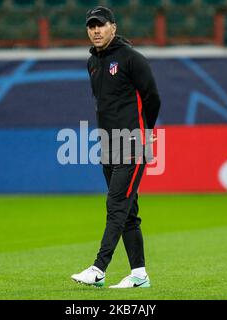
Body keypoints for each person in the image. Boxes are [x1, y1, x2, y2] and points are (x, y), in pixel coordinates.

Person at [71, 6, 161, 289]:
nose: (95, 30)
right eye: (91, 26)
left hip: (132, 144)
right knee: (128, 213)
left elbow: (152, 97)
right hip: (108, 144)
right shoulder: (93, 63)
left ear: (113, 26)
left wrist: (145, 131)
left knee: (116, 205)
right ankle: (139, 275)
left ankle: (99, 269)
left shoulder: (132, 59)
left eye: (101, 25)